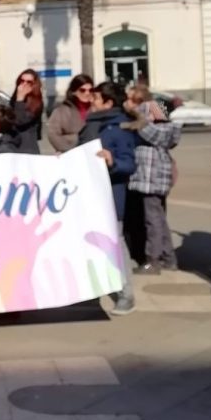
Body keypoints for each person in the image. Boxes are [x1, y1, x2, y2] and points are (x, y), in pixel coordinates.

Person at [77, 81, 137, 315]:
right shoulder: (92, 125)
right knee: (91, 242)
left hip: (111, 196)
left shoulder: (119, 128)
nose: (91, 99)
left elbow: (129, 164)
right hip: (89, 194)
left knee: (115, 243)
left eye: (97, 97)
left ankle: (126, 293)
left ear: (109, 103)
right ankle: (94, 288)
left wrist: (113, 162)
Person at [124, 86, 181, 274]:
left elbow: (160, 135)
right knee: (160, 219)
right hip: (155, 175)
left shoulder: (149, 113)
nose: (128, 104)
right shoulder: (156, 112)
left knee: (153, 220)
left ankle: (153, 260)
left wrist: (134, 115)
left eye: (132, 100)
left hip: (152, 176)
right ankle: (168, 257)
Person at [49, 74, 94, 153]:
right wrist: (69, 145)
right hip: (69, 153)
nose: (87, 93)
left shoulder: (95, 109)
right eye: (82, 90)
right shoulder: (61, 110)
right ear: (74, 91)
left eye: (90, 90)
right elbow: (53, 134)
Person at [10, 69, 44, 154]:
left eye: (29, 82)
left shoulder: (36, 103)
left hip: (27, 149)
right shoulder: (14, 101)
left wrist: (20, 98)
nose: (24, 84)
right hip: (13, 147)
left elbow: (20, 120)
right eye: (22, 81)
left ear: (34, 85)